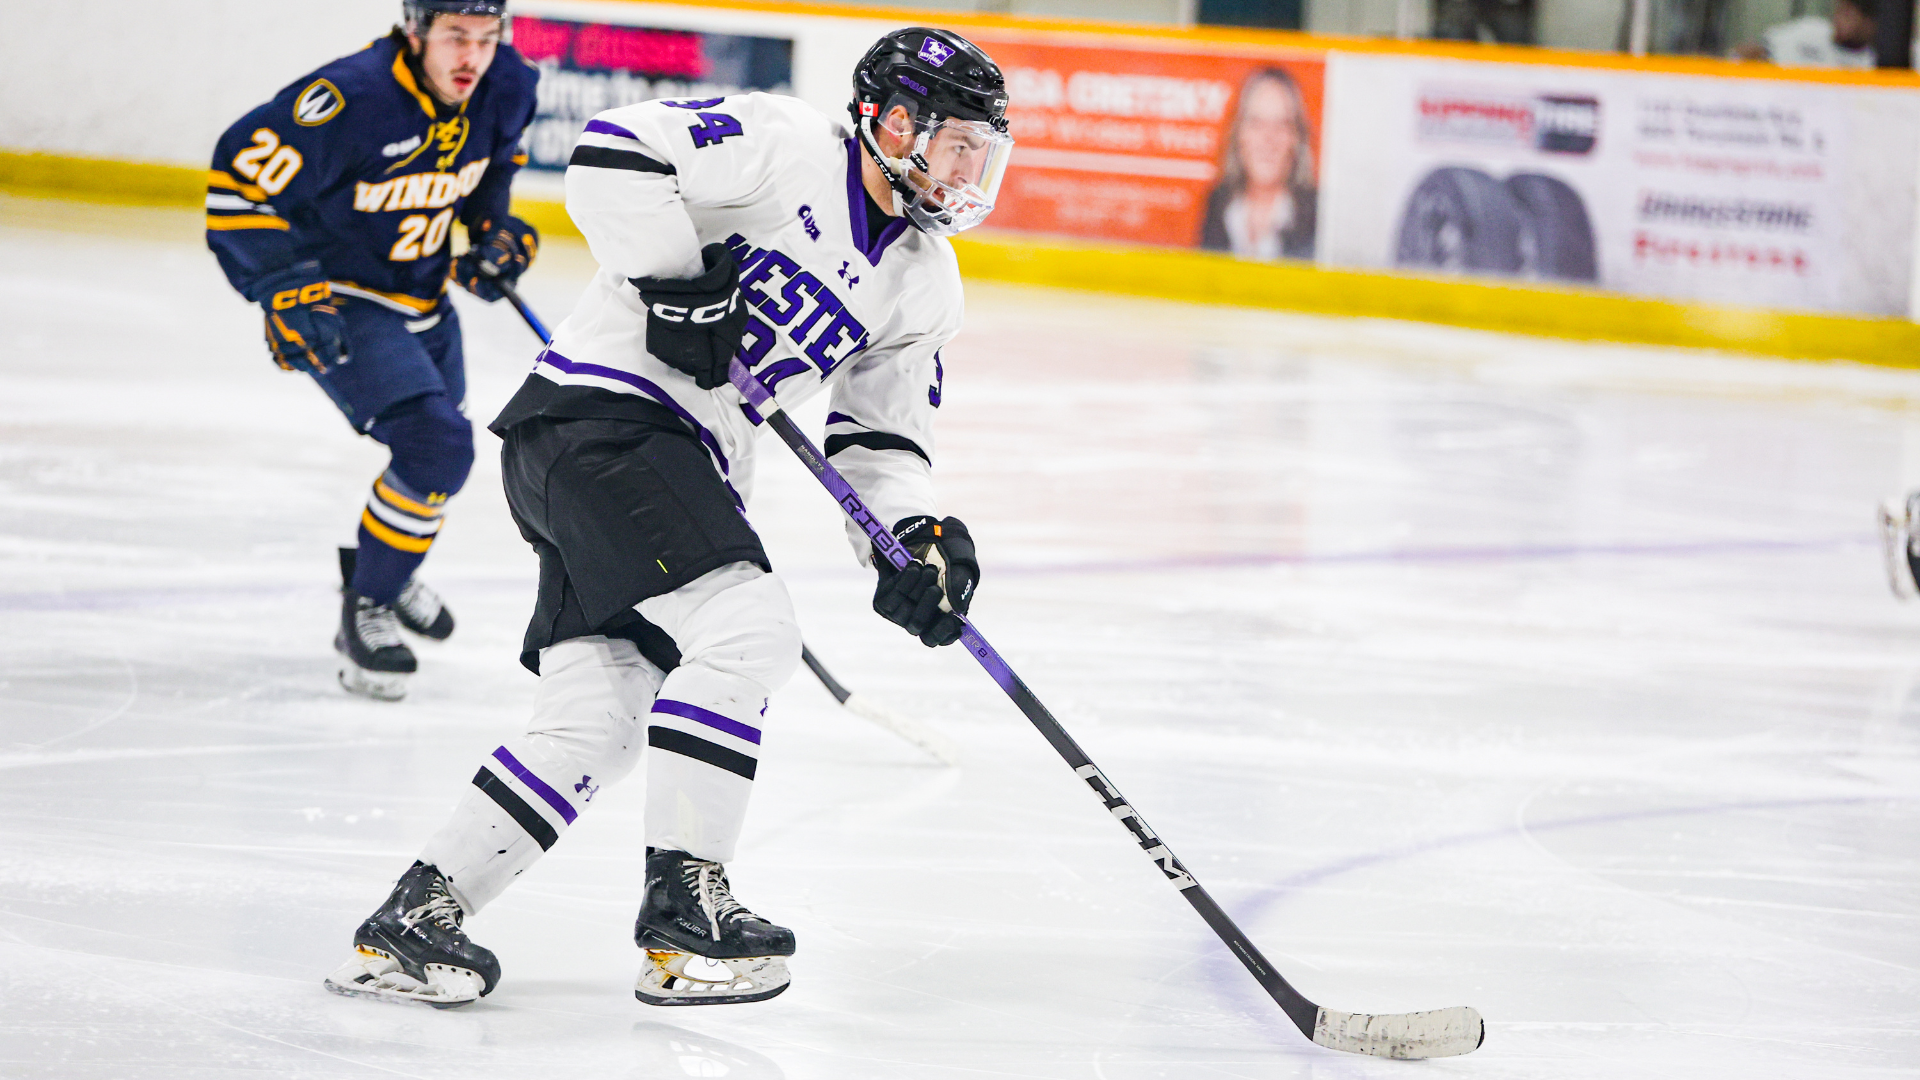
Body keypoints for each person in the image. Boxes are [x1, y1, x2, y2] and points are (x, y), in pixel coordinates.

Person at [323, 27, 1010, 1009]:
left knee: (599, 721)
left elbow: (879, 442)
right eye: (958, 146)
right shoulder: (785, 146)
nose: (971, 173)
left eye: (984, 153)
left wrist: (914, 541)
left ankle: (416, 919)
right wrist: (676, 281)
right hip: (601, 419)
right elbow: (613, 153)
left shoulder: (924, 284)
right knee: (749, 628)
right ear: (894, 123)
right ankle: (687, 905)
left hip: (640, 462)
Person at [207, 0, 541, 701]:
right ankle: (369, 605)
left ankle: (383, 565)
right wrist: (284, 286)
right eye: (455, 36)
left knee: (433, 461)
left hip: (424, 299)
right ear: (416, 31)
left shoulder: (506, 83)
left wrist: (493, 233)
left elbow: (489, 174)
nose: (472, 57)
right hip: (343, 299)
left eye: (486, 38)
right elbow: (239, 183)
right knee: (437, 446)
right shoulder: (351, 98)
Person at [1199, 67, 1317, 261]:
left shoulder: (1318, 217)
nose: (1268, 139)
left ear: (1296, 139)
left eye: (1282, 124)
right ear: (1238, 134)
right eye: (1256, 123)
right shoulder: (1218, 207)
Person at [1733, 0, 1875, 68]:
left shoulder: (1868, 65)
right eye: (1839, 11)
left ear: (1867, 24)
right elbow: (1756, 49)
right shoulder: (1811, 29)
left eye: (1848, 16)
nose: (1838, 20)